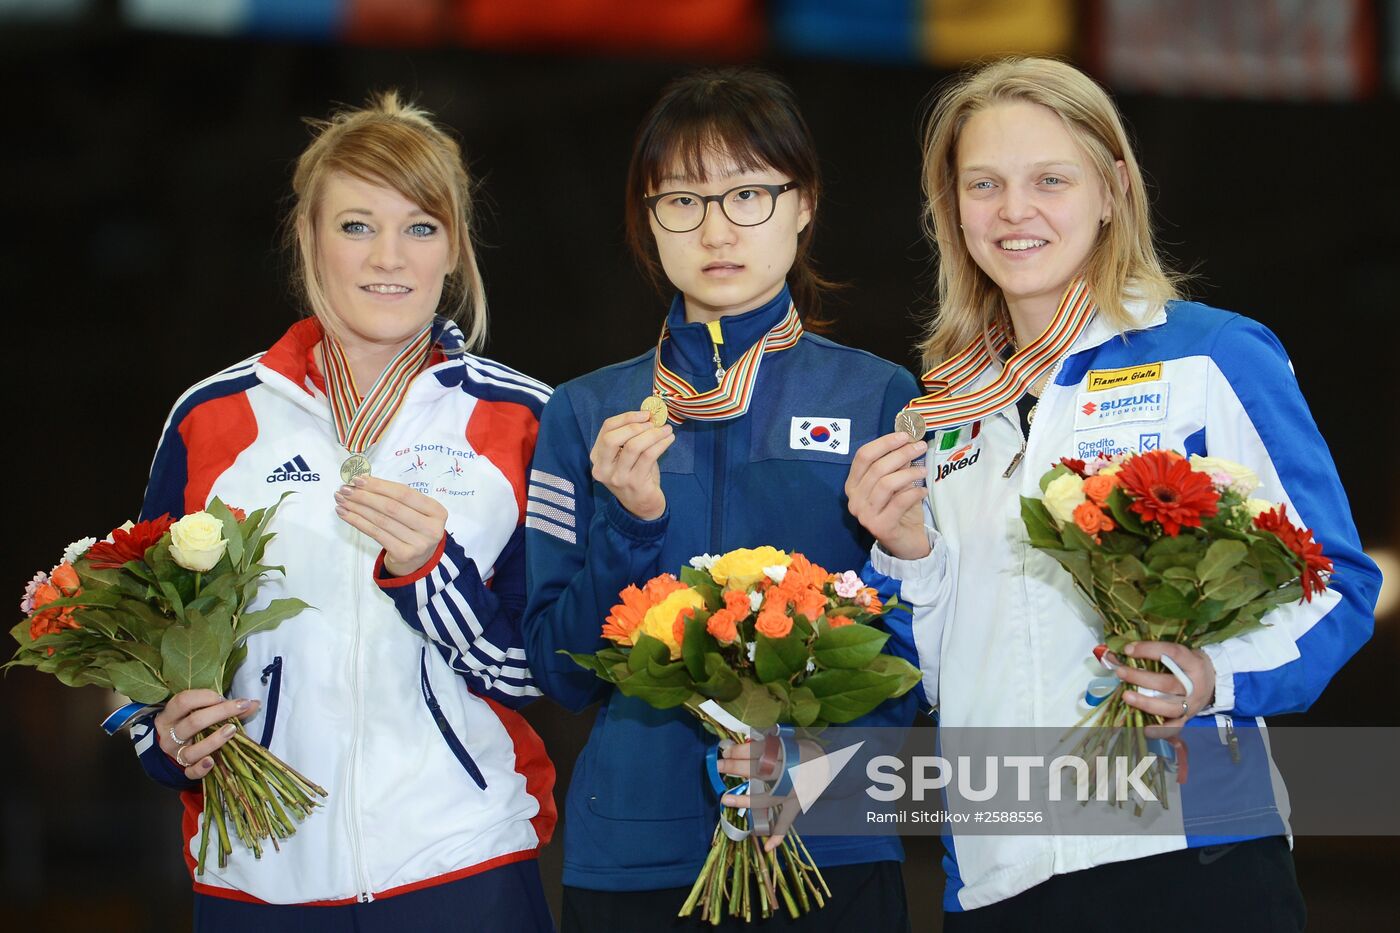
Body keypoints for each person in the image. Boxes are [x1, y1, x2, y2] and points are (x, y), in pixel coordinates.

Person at [845, 57, 1381, 931]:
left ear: (1111, 190)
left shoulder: (1213, 357)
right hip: (1000, 870)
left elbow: (1341, 585)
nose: (1015, 210)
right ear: (952, 211)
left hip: (1188, 849)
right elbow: (933, 673)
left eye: (1050, 179)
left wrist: (1215, 678)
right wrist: (908, 553)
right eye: (984, 184)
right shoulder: (938, 415)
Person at [129, 92, 556, 931]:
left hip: (463, 862)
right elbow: (141, 639)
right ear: (308, 239)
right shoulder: (211, 417)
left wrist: (433, 578)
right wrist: (163, 734)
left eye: (421, 227)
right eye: (357, 225)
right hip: (257, 873)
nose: (387, 257)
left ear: (456, 249)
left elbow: (546, 669)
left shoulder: (526, 420)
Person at [522, 68, 919, 931]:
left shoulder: (881, 399)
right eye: (681, 201)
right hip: (635, 856)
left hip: (828, 844)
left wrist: (806, 767)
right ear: (647, 218)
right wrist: (630, 523)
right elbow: (557, 668)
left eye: (748, 194)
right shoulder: (586, 414)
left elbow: (917, 649)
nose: (715, 230)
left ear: (803, 201)